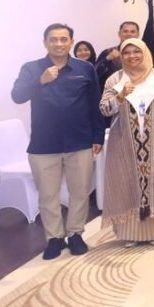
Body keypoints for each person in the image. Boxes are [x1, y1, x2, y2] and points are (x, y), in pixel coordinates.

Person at [10, 23, 106, 259]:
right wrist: (40, 81)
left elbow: (95, 103)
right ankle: (54, 238)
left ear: (71, 42)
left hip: (80, 141)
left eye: (64, 39)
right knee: (48, 195)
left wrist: (97, 136)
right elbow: (17, 96)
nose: (59, 43)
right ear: (45, 42)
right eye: (53, 39)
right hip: (44, 144)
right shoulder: (32, 69)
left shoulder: (85, 68)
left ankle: (75, 234)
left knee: (80, 192)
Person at [99, 38, 154, 246]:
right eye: (127, 52)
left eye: (137, 51)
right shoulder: (115, 79)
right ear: (121, 55)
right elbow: (104, 109)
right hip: (124, 141)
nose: (132, 56)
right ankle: (130, 233)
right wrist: (120, 97)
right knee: (126, 182)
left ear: (145, 52)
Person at [96, 21, 141, 87]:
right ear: (119, 34)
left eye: (132, 32)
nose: (129, 34)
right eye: (125, 31)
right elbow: (95, 74)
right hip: (113, 91)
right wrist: (107, 59)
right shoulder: (108, 52)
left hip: (139, 90)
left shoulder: (144, 53)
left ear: (138, 34)